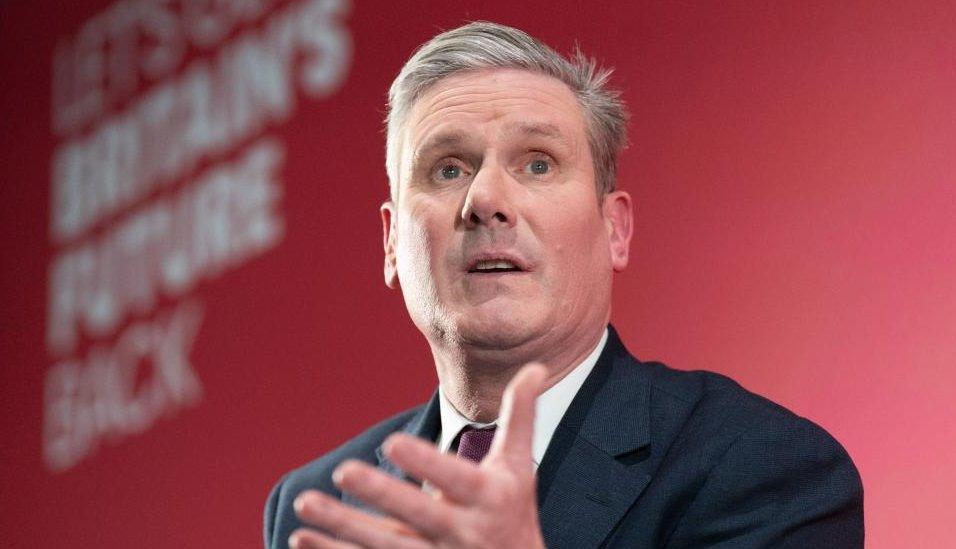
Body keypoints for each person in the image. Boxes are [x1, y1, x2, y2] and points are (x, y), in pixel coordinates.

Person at [264, 21, 864, 549]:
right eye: (448, 169)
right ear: (393, 243)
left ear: (614, 229)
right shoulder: (314, 508)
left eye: (538, 164)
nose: (486, 201)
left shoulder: (763, 468)